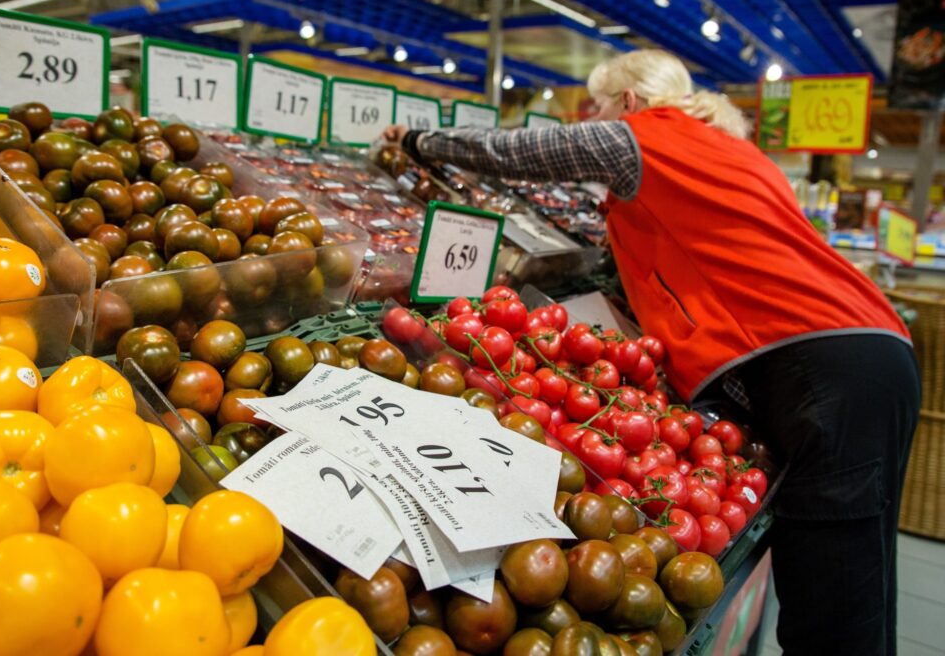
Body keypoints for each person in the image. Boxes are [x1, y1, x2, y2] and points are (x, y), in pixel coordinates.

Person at [382, 49, 920, 656]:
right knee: (859, 577)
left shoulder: (648, 138)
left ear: (629, 104)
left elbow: (525, 153)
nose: (597, 119)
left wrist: (423, 141)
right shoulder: (730, 154)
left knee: (832, 610)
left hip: (824, 367)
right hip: (865, 354)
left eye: (602, 107)